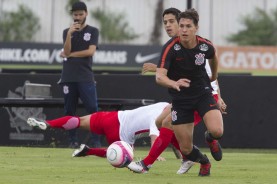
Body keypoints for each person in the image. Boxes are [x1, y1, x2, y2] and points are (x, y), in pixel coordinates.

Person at [128, 8, 226, 175]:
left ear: (196, 27)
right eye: (181, 26)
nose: (183, 29)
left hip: (203, 93)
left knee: (216, 131)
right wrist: (173, 82)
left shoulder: (204, 45)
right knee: (179, 141)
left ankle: (147, 163)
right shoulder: (171, 48)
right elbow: (161, 77)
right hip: (181, 99)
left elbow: (213, 56)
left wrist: (215, 79)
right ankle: (200, 160)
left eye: (187, 26)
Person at [26, 102, 170, 159]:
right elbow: (154, 134)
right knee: (124, 155)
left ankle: (48, 123)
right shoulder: (163, 117)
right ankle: (89, 151)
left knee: (79, 121)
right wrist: (155, 154)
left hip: (113, 117)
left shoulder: (164, 104)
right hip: (120, 134)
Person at [59, 1, 101, 148]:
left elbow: (90, 51)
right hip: (68, 77)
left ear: (86, 14)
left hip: (85, 77)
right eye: (75, 14)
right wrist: (70, 34)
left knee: (92, 109)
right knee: (69, 110)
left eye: (80, 14)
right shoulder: (66, 31)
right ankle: (73, 141)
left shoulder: (93, 31)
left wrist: (69, 55)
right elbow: (67, 50)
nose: (78, 17)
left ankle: (96, 142)